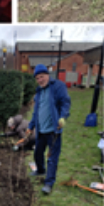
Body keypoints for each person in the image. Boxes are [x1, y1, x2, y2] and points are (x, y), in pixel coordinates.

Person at [28, 64, 71, 195]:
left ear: (47, 75)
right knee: (37, 154)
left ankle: (48, 183)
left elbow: (65, 103)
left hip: (53, 131)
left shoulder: (58, 86)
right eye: (37, 78)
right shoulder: (39, 91)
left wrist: (63, 116)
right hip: (41, 130)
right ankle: (40, 170)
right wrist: (31, 127)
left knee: (52, 158)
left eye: (42, 76)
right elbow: (36, 112)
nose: (40, 80)